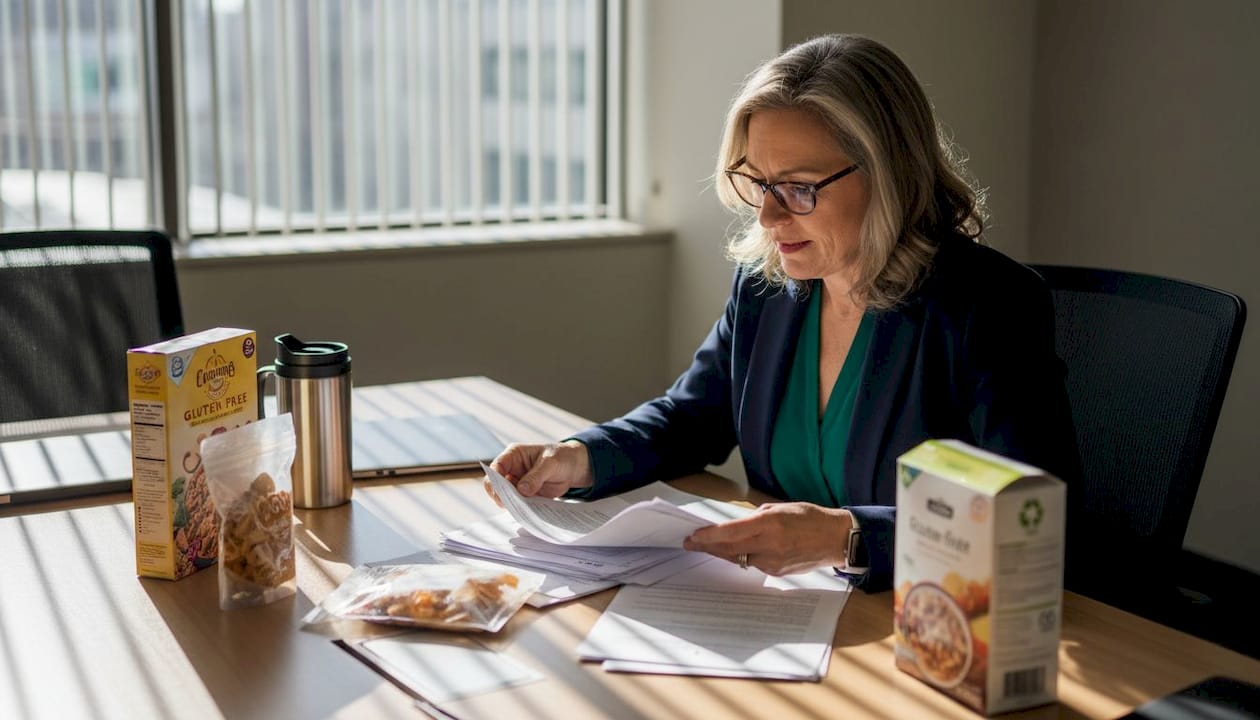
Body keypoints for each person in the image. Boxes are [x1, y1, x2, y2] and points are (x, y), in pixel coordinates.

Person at [489, 33, 1080, 593]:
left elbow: (1028, 515)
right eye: (757, 182)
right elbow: (692, 416)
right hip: (785, 611)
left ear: (889, 176)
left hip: (921, 621)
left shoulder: (989, 305)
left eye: (799, 188)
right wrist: (579, 457)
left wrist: (846, 537)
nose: (769, 219)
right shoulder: (768, 284)